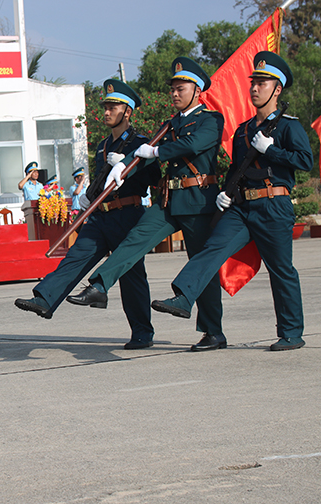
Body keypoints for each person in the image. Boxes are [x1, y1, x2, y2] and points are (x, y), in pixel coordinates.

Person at [152, 52, 313, 351]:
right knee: (212, 249)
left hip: (273, 206)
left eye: (262, 83)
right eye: (253, 82)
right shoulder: (243, 130)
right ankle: (184, 296)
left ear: (277, 89)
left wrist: (272, 150)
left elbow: (305, 161)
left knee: (281, 269)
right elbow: (237, 169)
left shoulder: (289, 127)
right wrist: (226, 192)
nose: (254, 88)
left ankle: (291, 333)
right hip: (241, 208)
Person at [68, 57, 226, 352]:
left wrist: (157, 150)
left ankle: (213, 331)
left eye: (181, 88)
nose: (175, 93)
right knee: (134, 241)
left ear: (197, 91)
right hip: (170, 200)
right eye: (173, 89)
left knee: (201, 266)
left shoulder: (210, 120)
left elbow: (191, 145)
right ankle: (100, 286)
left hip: (199, 201)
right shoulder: (169, 125)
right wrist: (122, 166)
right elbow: (140, 155)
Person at [14, 80, 160, 349]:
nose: (106, 111)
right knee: (76, 257)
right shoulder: (104, 145)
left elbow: (154, 177)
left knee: (131, 274)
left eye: (112, 107)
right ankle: (45, 299)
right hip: (101, 214)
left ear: (127, 111)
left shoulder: (142, 143)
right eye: (105, 106)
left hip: (128, 213)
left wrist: (132, 167)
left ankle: (142, 332)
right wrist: (87, 196)